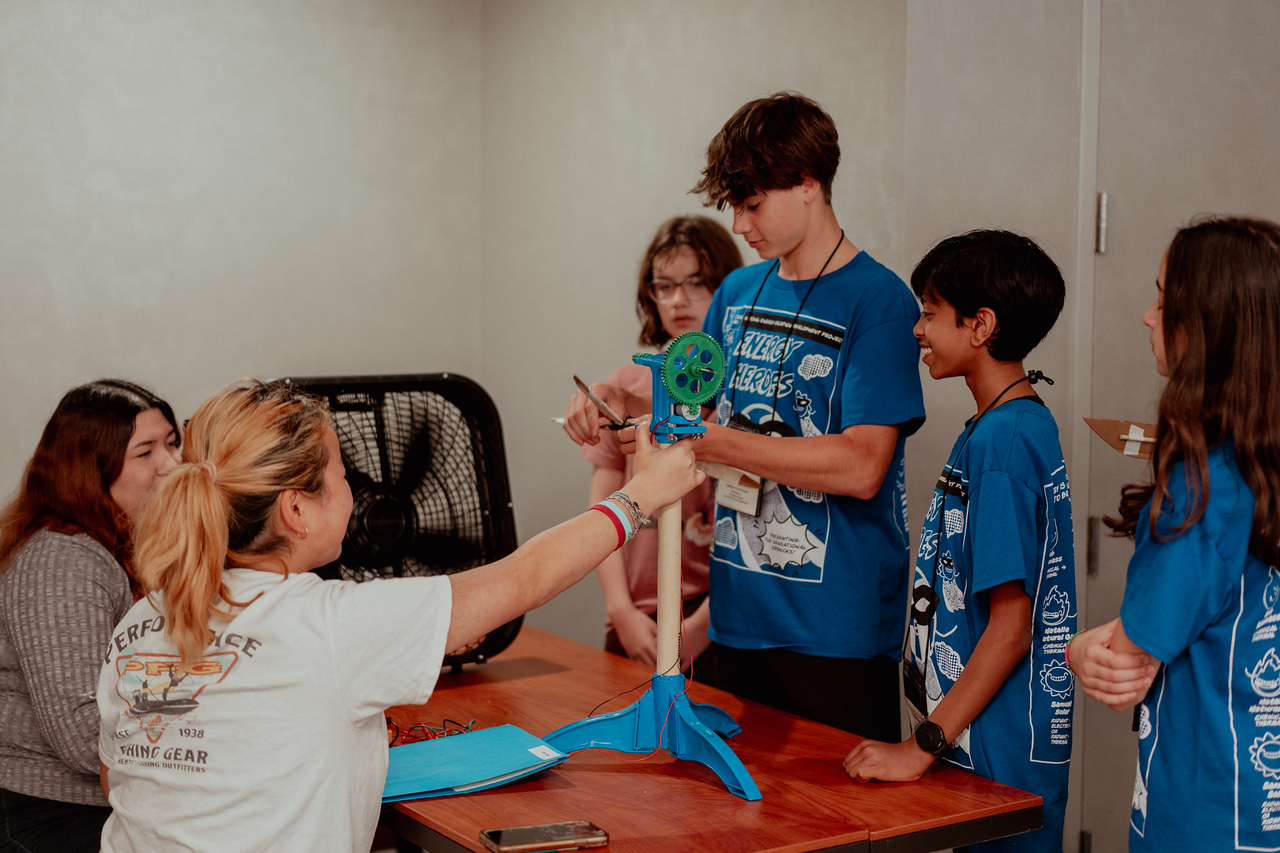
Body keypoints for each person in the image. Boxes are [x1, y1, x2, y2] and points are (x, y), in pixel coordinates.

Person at [96, 379, 701, 853]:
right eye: (340, 475)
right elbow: (524, 578)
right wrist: (642, 493)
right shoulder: (328, 626)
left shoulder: (141, 620)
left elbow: (119, 778)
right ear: (296, 510)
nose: (354, 492)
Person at [564, 92, 925, 737]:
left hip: (832, 634)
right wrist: (617, 398)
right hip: (733, 621)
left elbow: (863, 465)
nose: (738, 225)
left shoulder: (880, 301)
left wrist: (717, 442)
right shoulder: (737, 291)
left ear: (808, 183)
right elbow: (692, 399)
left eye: (752, 203)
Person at [843, 231, 1075, 853]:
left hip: (997, 767)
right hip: (980, 755)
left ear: (981, 325)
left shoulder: (1002, 443)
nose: (916, 330)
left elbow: (1010, 626)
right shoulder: (1007, 424)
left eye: (928, 312)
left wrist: (918, 749)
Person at [1067, 217, 1280, 851]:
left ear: (1206, 327)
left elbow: (1127, 662)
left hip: (1210, 816)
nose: (1146, 316)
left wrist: (1081, 649)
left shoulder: (1203, 486)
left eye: (1163, 300)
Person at [0, 380, 180, 853]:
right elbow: (81, 735)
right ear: (90, 471)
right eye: (145, 453)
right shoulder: (62, 559)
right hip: (45, 813)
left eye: (172, 443)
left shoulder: (127, 548)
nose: (172, 464)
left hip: (111, 805)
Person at [579, 215, 740, 671]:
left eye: (696, 283)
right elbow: (603, 509)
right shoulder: (624, 385)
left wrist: (703, 625)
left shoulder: (739, 388)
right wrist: (620, 611)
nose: (678, 299)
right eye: (664, 285)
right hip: (634, 618)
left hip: (713, 618)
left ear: (725, 287)